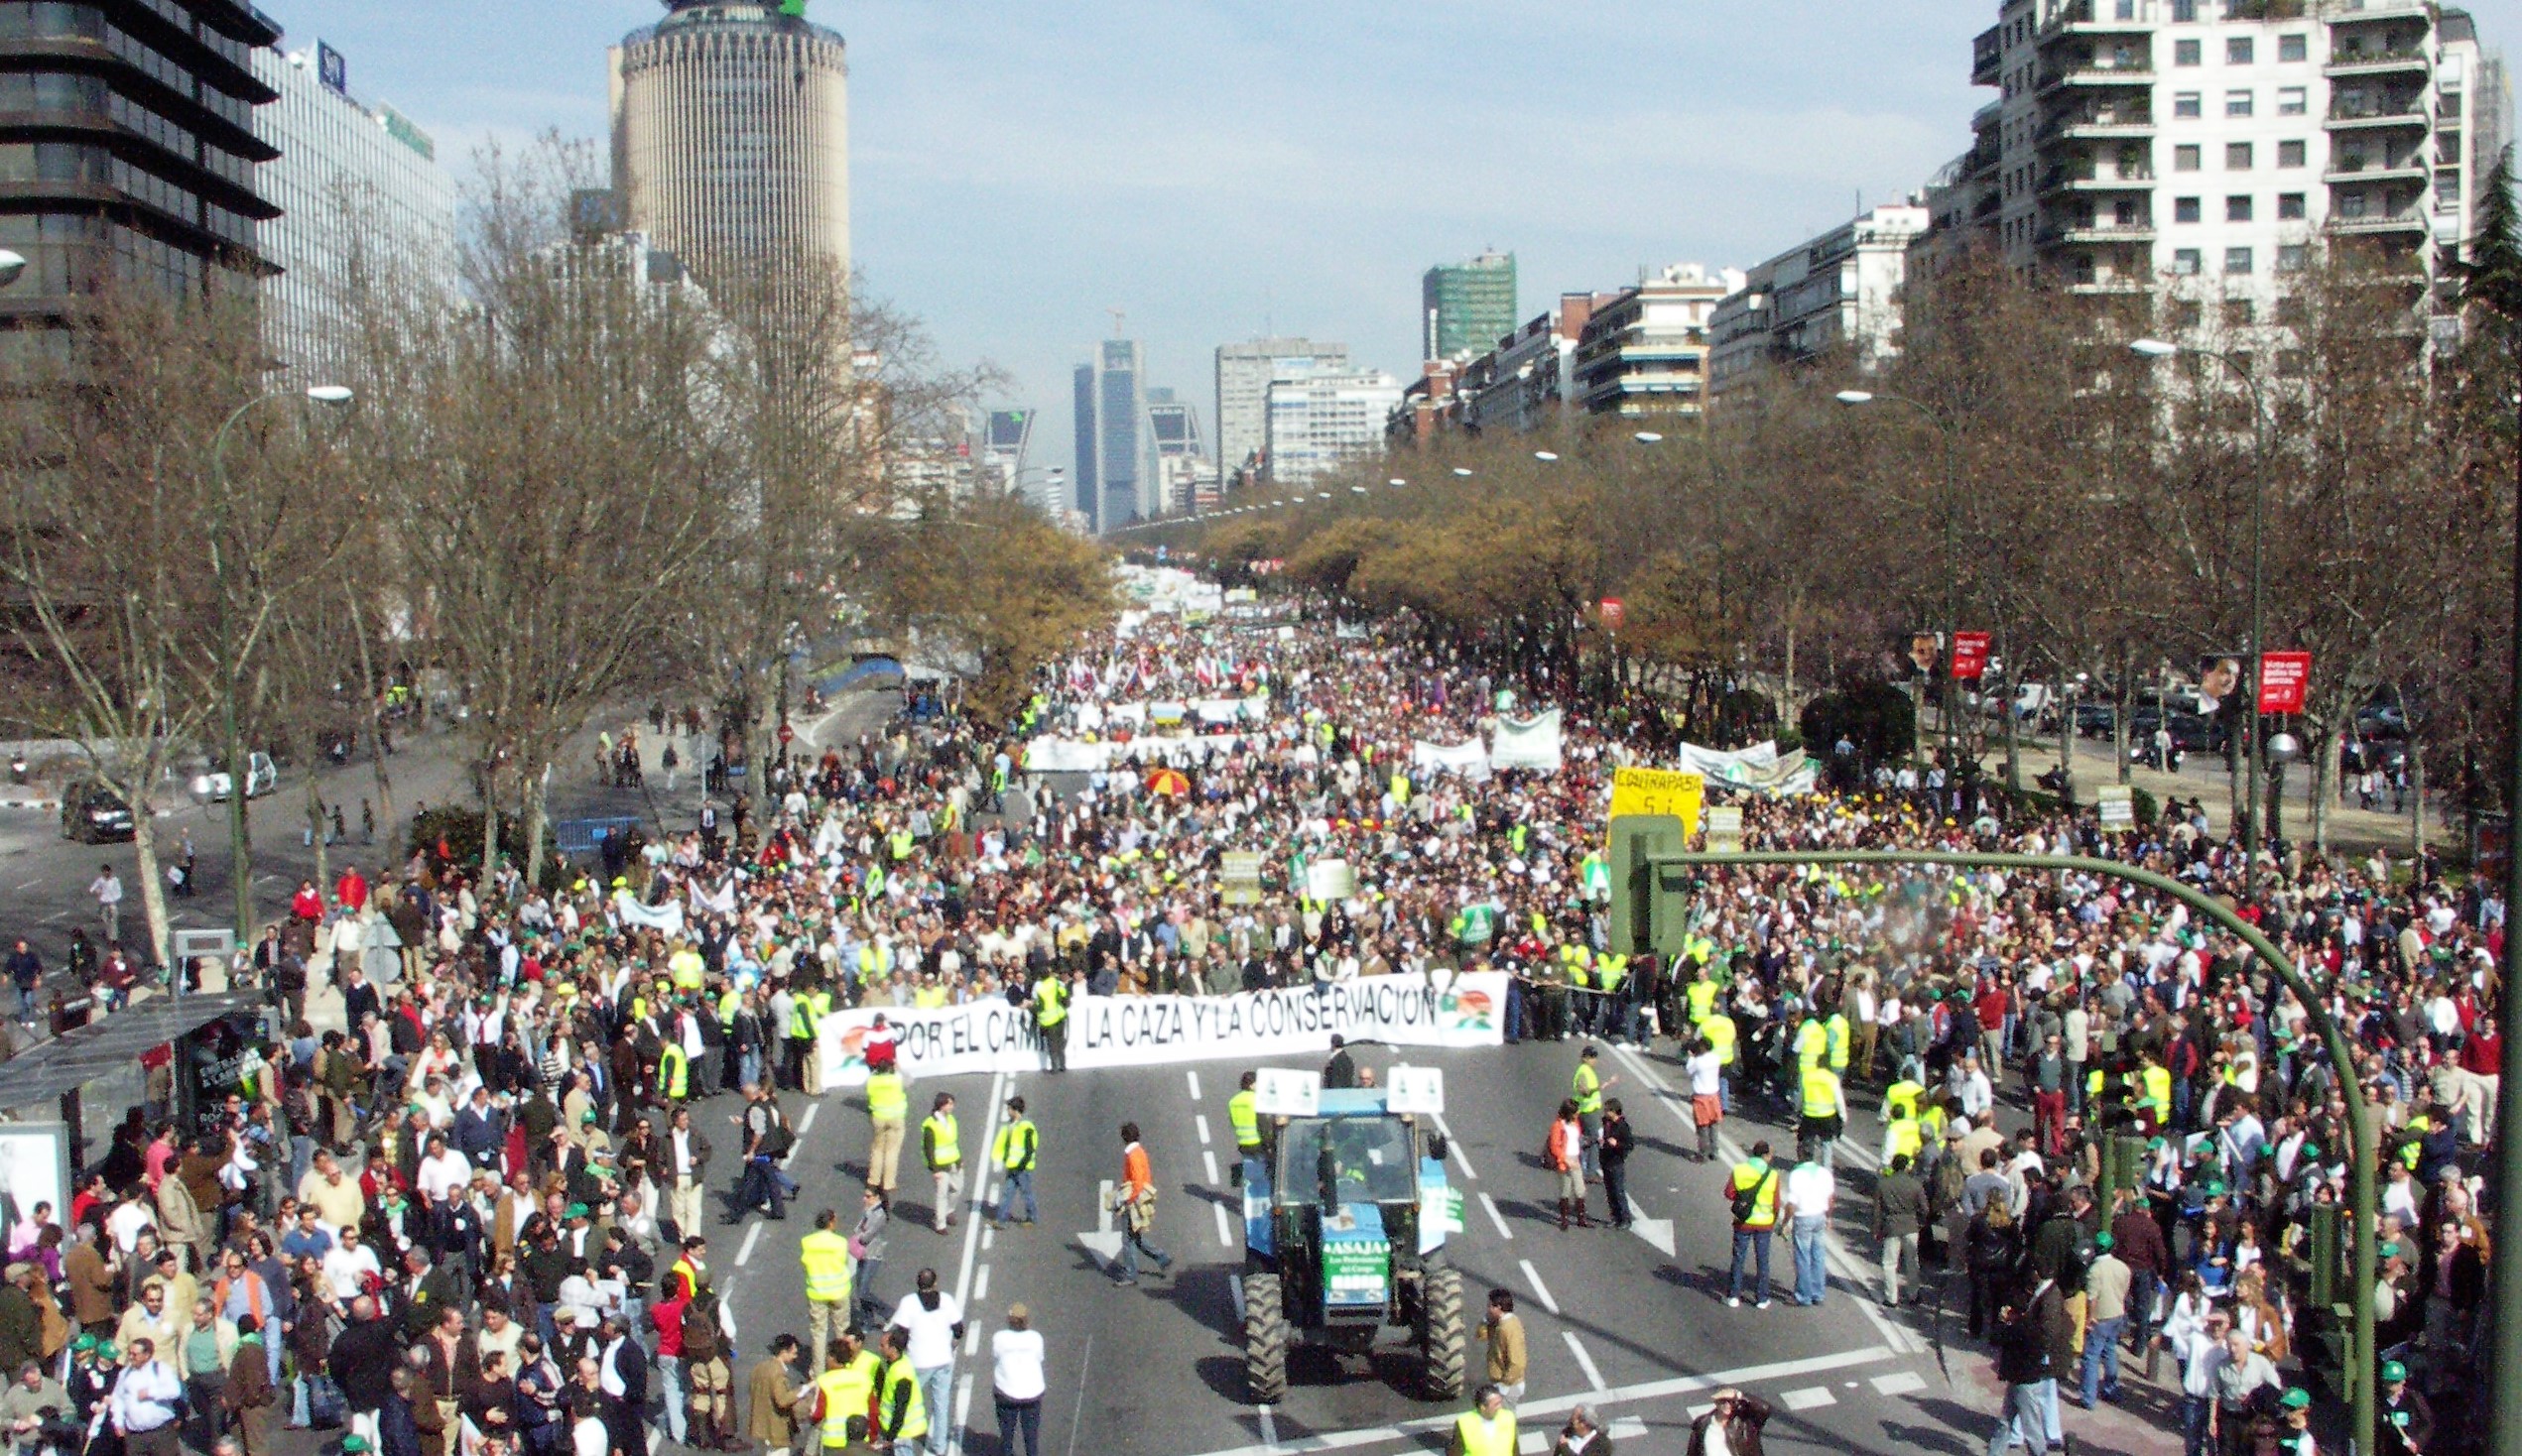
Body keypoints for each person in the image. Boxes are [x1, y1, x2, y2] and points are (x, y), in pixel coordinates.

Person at [884, 1272, 959, 1456]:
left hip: (917, 1362)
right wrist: (950, 1346)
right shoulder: (947, 1300)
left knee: (904, 1403)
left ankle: (903, 1447)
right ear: (935, 1283)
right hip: (943, 1360)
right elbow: (958, 1329)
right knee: (941, 1403)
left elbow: (901, 1332)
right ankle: (940, 1447)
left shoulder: (909, 1302)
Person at [1723, 1141, 1781, 1309]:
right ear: (1765, 1156)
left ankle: (1733, 1295)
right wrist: (1774, 1220)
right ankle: (1762, 1298)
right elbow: (1776, 1203)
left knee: (1739, 1258)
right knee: (1762, 1260)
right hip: (1764, 1223)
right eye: (1770, 1154)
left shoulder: (1739, 1170)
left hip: (1743, 1222)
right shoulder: (1773, 1175)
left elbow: (1729, 1193)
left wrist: (1743, 1199)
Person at [1112, 1124, 1170, 1286]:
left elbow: (1136, 1182)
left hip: (1134, 1201)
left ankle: (1131, 1274)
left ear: (1124, 1138)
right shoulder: (1139, 1151)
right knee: (1136, 1237)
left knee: (1128, 1239)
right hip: (1139, 1198)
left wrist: (1125, 1200)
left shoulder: (1132, 1155)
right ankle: (1162, 1257)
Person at [107, 1337, 183, 1456]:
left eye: (135, 1354)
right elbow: (118, 1399)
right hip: (134, 1435)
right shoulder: (125, 1373)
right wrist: (118, 1421)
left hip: (160, 1433)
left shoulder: (160, 1369)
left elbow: (175, 1391)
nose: (131, 1357)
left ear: (147, 1355)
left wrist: (151, 1392)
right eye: (129, 1353)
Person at [1873, 1153, 1929, 1309]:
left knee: (1889, 1263)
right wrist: (1921, 1223)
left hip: (1891, 1226)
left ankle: (1891, 1297)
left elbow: (1877, 1211)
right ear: (1906, 1167)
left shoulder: (1883, 1184)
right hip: (1911, 1225)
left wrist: (1877, 1229)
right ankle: (1913, 1294)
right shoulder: (1915, 1185)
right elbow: (1924, 1208)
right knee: (1912, 1262)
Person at [797, 1212, 852, 1364]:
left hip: (817, 1292)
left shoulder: (807, 1242)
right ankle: (843, 1364)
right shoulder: (840, 1242)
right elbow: (844, 1261)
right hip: (839, 1290)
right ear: (831, 1223)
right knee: (842, 1330)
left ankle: (818, 1371)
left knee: (819, 1333)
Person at [988, 1305, 1044, 1456]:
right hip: (1032, 1393)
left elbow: (996, 1356)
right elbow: (1039, 1357)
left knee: (1006, 1434)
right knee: (1031, 1436)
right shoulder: (1035, 1338)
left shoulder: (999, 1338)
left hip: (1006, 1393)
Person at [1782, 1153, 1832, 1307]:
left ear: (1799, 1155)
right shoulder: (1824, 1173)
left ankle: (1804, 1295)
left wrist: (1785, 1222)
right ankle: (1818, 1293)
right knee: (1818, 1255)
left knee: (1803, 1257)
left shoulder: (1796, 1175)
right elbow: (1830, 1198)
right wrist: (1829, 1217)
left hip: (1804, 1218)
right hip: (1820, 1216)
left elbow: (1791, 1204)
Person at [745, 1336, 802, 1456]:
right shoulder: (779, 1373)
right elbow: (782, 1400)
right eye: (794, 1353)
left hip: (760, 1425)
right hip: (775, 1428)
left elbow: (752, 1388)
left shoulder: (760, 1367)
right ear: (784, 1352)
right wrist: (802, 1391)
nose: (795, 1357)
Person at [872, 1329, 925, 1456]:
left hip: (901, 1432)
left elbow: (900, 1407)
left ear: (893, 1349)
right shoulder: (899, 1364)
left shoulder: (901, 1373)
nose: (880, 1348)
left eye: (883, 1346)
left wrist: (891, 1436)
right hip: (896, 1430)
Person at [990, 1098, 1039, 1229]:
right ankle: (1001, 1220)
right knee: (1008, 1193)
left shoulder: (1026, 1126)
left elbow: (1029, 1148)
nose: (1007, 1111)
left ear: (1015, 1110)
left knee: (1026, 1193)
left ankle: (1032, 1218)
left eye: (1009, 1109)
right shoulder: (1012, 1125)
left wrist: (1022, 1164)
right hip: (1013, 1166)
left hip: (1022, 1168)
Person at [917, 1095, 961, 1237]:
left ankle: (949, 1211)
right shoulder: (931, 1125)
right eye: (950, 1104)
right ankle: (940, 1223)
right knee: (941, 1195)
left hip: (954, 1162)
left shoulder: (951, 1120)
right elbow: (928, 1149)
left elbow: (953, 1142)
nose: (952, 1107)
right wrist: (934, 1169)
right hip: (940, 1165)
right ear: (942, 1105)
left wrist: (960, 1159)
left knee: (957, 1189)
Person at [847, 1189, 888, 1332]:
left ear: (878, 1197)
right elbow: (858, 1228)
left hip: (872, 1255)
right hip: (863, 1255)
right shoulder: (869, 1212)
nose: (865, 1199)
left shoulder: (879, 1215)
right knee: (860, 1290)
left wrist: (860, 1234)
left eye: (868, 1196)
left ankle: (888, 1312)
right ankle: (868, 1320)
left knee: (863, 1291)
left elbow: (865, 1237)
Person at [1474, 1290, 1525, 1407]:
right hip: (1500, 1383)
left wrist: (1505, 1385)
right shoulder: (1498, 1324)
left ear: (1498, 1307)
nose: (1488, 1309)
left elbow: (1517, 1362)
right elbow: (1481, 1336)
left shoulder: (1509, 1328)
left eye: (1490, 1306)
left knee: (1505, 1420)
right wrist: (1485, 1321)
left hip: (1509, 1386)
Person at [1685, 1388, 1769, 1456]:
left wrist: (1740, 1395)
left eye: (1731, 1402)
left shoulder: (1744, 1423)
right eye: (1723, 1401)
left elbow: (1765, 1409)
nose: (1727, 1405)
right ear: (1716, 1403)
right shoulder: (1703, 1424)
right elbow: (1693, 1452)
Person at [862, 1068, 906, 1199]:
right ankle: (888, 1182)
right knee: (892, 1150)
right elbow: (909, 1080)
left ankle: (873, 1181)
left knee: (877, 1150)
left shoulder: (872, 1080)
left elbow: (869, 1093)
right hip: (895, 1117)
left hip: (879, 1116)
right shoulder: (897, 1079)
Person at [1546, 1100, 1588, 1231]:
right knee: (1565, 1190)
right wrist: (1564, 1159)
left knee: (1580, 1189)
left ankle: (1581, 1218)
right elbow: (1554, 1146)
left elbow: (1577, 1138)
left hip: (1575, 1158)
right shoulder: (1558, 1126)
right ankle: (1564, 1219)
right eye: (1576, 1112)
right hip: (1564, 1161)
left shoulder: (1575, 1123)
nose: (1578, 1114)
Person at [2376, 1360, 2432, 1456]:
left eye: (2396, 1382)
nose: (2392, 1385)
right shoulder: (2377, 1401)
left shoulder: (2413, 1399)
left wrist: (2417, 1442)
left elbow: (2427, 1423)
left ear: (2403, 1381)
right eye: (2389, 1382)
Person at [1596, 1100, 1634, 1230]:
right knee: (1610, 1191)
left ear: (1614, 1111)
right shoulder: (1606, 1123)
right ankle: (1615, 1216)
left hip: (1616, 1162)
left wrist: (1617, 1144)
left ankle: (1625, 1218)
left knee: (1618, 1191)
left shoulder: (1623, 1126)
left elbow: (1629, 1145)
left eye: (1607, 1110)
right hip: (1605, 1159)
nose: (1605, 1113)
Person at [1447, 1385, 1513, 1456]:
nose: (1500, 1407)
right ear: (1483, 1407)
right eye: (1496, 1404)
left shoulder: (1508, 1417)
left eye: (1500, 1402)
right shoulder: (1465, 1423)